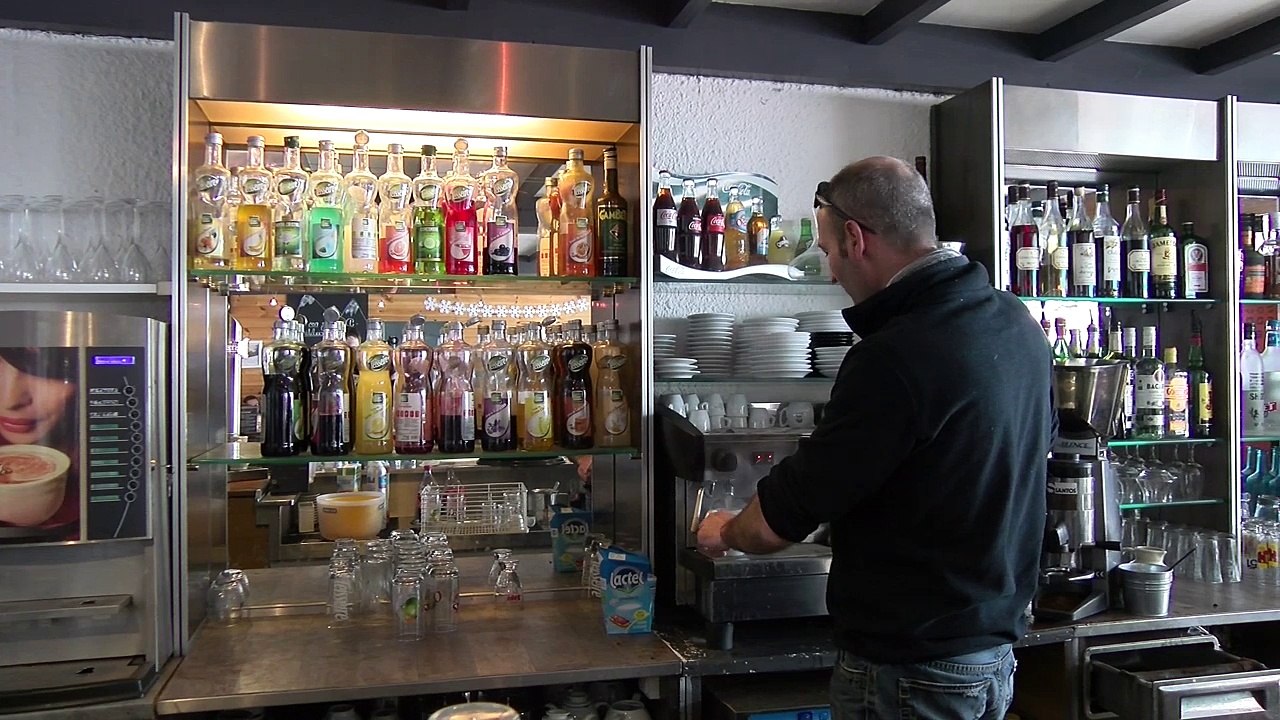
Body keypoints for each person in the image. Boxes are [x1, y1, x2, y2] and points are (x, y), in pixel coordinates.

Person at [697, 157, 1054, 720]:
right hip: (993, 658)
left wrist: (723, 530)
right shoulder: (1015, 323)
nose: (833, 273)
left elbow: (774, 524)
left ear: (856, 239)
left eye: (830, 252)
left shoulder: (895, 356)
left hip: (910, 671)